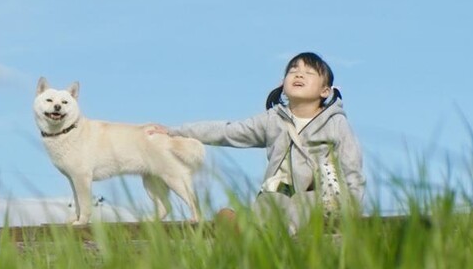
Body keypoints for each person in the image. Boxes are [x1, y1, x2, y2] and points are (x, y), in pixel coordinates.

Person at [148, 51, 365, 233]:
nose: (299, 74)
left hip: (320, 194)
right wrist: (176, 131)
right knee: (271, 196)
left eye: (309, 72)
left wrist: (352, 210)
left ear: (325, 91)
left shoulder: (336, 123)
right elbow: (227, 131)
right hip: (280, 191)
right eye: (293, 71)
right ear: (283, 84)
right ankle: (251, 232)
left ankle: (276, 235)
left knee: (307, 200)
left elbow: (351, 168)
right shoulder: (273, 120)